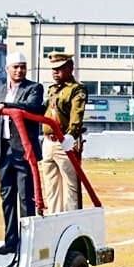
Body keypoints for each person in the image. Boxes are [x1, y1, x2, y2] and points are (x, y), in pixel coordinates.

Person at [0, 51, 45, 259]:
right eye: (16, 67)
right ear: (7, 69)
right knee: (7, 197)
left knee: (25, 197)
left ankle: (28, 242)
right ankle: (10, 241)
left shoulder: (34, 88)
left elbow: (32, 107)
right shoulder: (0, 91)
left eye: (23, 66)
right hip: (4, 150)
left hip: (23, 151)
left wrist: (8, 106)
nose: (19, 70)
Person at [40, 52, 88, 213]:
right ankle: (54, 219)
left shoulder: (76, 90)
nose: (55, 72)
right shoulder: (52, 89)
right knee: (51, 186)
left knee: (70, 187)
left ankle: (71, 220)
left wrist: (71, 135)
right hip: (48, 141)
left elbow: (77, 115)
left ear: (70, 68)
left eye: (59, 68)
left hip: (64, 141)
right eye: (53, 69)